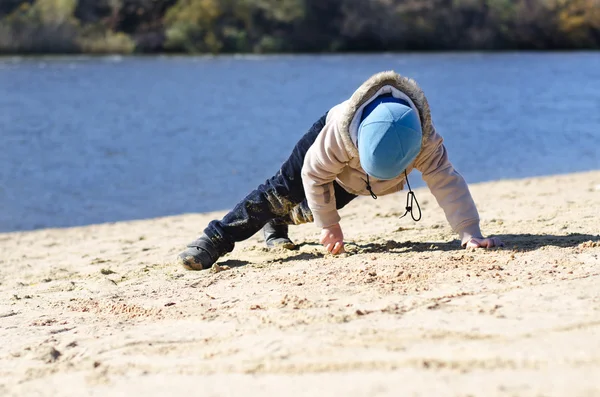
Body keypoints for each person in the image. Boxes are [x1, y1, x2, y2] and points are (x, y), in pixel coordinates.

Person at [177, 70, 503, 270]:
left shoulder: (425, 140)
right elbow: (314, 176)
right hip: (325, 152)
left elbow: (447, 182)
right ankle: (214, 240)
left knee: (313, 210)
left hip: (367, 177)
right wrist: (331, 226)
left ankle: (278, 223)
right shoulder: (336, 135)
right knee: (281, 192)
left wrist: (469, 232)